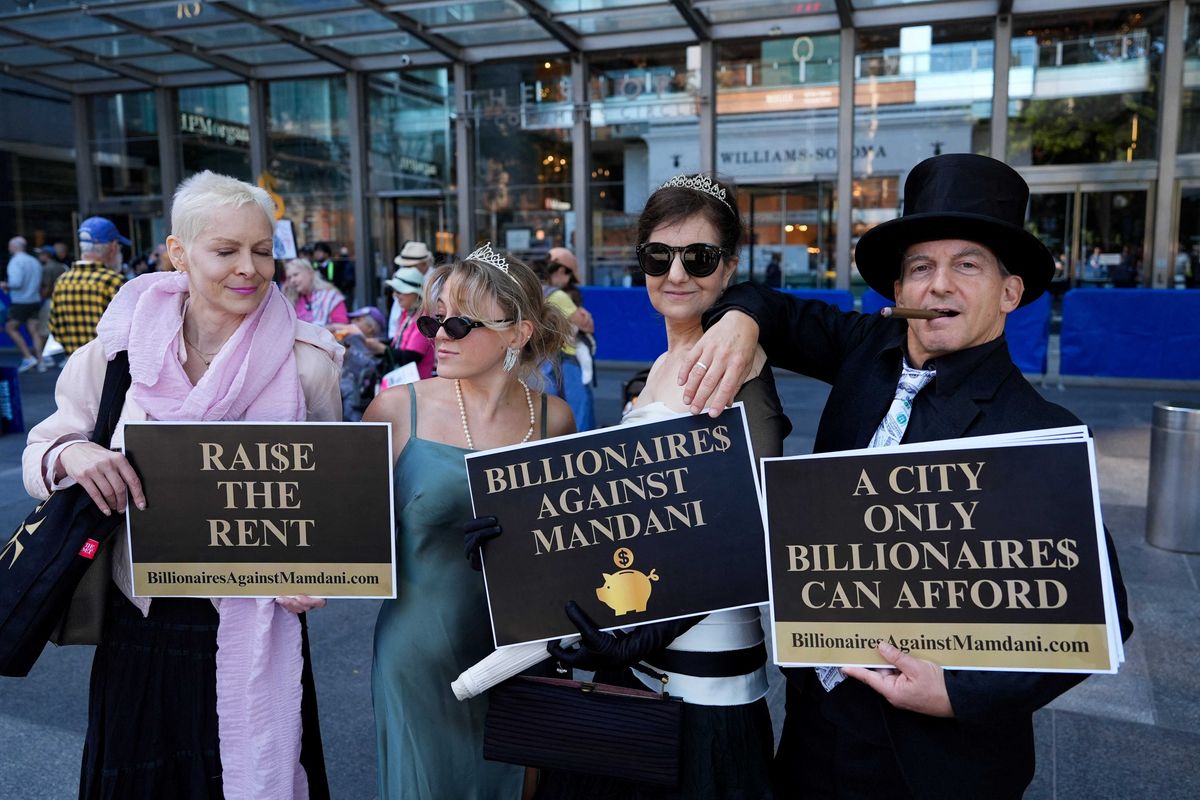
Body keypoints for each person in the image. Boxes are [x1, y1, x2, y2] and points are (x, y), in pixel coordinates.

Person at [676, 154, 1133, 799]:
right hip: (815, 728)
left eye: (966, 266)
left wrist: (957, 692)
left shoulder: (1035, 429)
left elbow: (1100, 614)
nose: (938, 286)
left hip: (935, 762)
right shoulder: (866, 348)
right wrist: (741, 322)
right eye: (921, 268)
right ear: (898, 292)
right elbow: (766, 302)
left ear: (1011, 292)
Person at [23, 170, 342, 799]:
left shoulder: (307, 361)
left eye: (262, 250)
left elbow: (325, 487)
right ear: (178, 252)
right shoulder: (116, 353)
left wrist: (315, 566)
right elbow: (41, 450)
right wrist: (74, 453)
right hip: (143, 615)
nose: (249, 268)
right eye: (225, 250)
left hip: (257, 613)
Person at [532, 174, 791, 799]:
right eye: (658, 256)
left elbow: (743, 529)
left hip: (702, 682)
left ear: (729, 266)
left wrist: (641, 634)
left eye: (698, 257)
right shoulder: (656, 370)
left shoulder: (734, 360)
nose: (675, 273)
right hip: (640, 665)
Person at [364, 243, 574, 800]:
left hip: (520, 655)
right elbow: (346, 529)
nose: (439, 335)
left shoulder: (553, 419)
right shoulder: (395, 409)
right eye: (433, 320)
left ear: (517, 333)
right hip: (417, 655)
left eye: (459, 323)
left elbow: (569, 545)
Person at [49, 217, 127, 356]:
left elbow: (55, 329)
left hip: (73, 364)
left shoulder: (62, 281)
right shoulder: (114, 281)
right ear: (113, 247)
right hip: (108, 364)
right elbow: (130, 332)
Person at [538, 249, 596, 431]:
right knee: (580, 406)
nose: (569, 281)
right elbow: (587, 326)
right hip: (567, 355)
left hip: (544, 357)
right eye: (569, 275)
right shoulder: (560, 296)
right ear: (562, 271)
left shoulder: (537, 291)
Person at [382, 265, 436, 380]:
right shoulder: (409, 313)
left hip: (418, 384)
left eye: (399, 291)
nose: (395, 295)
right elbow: (398, 342)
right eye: (394, 291)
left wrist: (382, 349)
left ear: (415, 294)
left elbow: (411, 357)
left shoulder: (424, 318)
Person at [5, 236, 46, 372]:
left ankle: (28, 357)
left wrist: (5, 285)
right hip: (34, 300)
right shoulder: (34, 261)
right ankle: (41, 362)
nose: (8, 248)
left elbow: (16, 283)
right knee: (34, 330)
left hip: (21, 301)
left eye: (10, 245)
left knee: (10, 328)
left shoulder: (15, 261)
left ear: (14, 247)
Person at [388, 240, 434, 338]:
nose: (407, 268)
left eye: (411, 265)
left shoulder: (437, 281)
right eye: (404, 265)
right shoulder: (402, 274)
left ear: (424, 264)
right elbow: (397, 310)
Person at [285, 257, 349, 326]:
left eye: (295, 275)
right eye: (289, 277)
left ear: (310, 273)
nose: (292, 280)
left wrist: (319, 330)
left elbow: (342, 326)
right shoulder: (292, 301)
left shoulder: (331, 297)